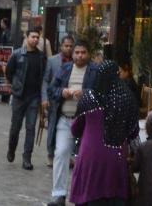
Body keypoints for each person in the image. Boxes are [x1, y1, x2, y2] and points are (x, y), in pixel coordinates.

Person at [69, 59, 140, 206]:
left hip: (90, 155)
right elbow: (133, 131)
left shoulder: (89, 98)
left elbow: (75, 128)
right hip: (116, 156)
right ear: (117, 75)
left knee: (91, 194)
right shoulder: (127, 99)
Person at [46, 39, 99, 206]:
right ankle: (59, 195)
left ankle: (83, 195)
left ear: (88, 54)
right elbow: (51, 89)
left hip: (87, 123)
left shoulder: (95, 71)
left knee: (84, 158)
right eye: (77, 52)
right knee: (61, 153)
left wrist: (85, 93)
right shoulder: (65, 68)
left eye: (83, 52)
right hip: (65, 119)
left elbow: (102, 93)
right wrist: (63, 92)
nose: (80, 55)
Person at [5, 28, 46, 170]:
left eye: (37, 37)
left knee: (31, 128)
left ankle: (27, 158)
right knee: (15, 127)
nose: (35, 39)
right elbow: (9, 72)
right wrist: (15, 86)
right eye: (33, 37)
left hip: (34, 97)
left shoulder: (41, 56)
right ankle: (11, 149)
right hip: (19, 96)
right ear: (27, 37)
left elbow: (43, 76)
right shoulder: (17, 54)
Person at [42, 35, 75, 167]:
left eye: (71, 46)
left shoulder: (76, 61)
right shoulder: (52, 61)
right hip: (54, 100)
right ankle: (51, 153)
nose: (68, 48)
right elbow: (45, 80)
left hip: (70, 102)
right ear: (61, 46)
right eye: (66, 45)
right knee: (52, 127)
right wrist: (44, 98)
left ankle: (69, 155)